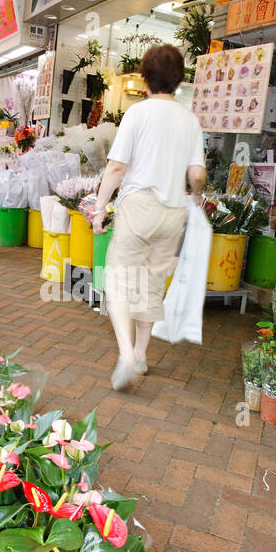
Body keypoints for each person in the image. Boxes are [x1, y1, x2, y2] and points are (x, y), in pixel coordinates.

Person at [92, 43, 206, 392]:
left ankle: (126, 354)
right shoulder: (190, 119)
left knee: (119, 280)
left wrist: (99, 209)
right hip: (173, 212)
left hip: (139, 206)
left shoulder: (138, 114)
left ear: (145, 78)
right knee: (151, 284)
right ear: (178, 80)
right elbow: (197, 174)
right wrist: (197, 198)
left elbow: (116, 168)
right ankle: (141, 354)